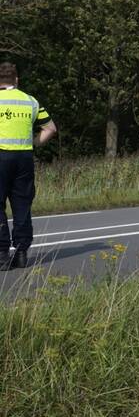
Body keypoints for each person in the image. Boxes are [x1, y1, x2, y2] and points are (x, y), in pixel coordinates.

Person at [0, 62, 56, 270]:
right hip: (24, 158)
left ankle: (2, 255)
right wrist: (32, 143)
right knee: (22, 204)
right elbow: (50, 128)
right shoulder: (30, 101)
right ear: (16, 80)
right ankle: (22, 253)